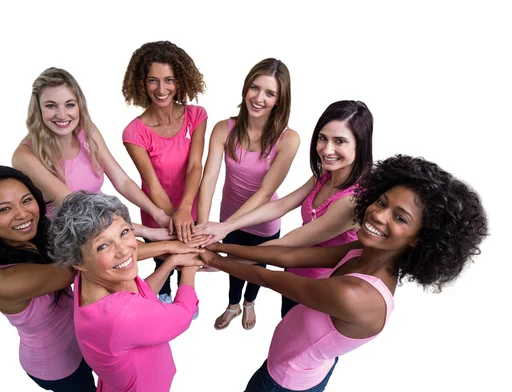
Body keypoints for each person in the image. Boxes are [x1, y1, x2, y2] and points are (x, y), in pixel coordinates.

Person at [200, 154, 488, 392]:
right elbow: (288, 255)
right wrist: (224, 246)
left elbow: (271, 278)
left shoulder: (357, 295)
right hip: (297, 363)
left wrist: (214, 259)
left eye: (400, 218)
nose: (378, 214)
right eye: (383, 202)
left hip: (283, 382)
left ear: (419, 239)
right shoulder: (363, 251)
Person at [196, 100, 373, 317]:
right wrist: (226, 226)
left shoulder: (351, 202)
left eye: (340, 141)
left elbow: (290, 242)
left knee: (307, 347)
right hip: (295, 278)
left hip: (323, 291)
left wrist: (224, 262)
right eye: (322, 138)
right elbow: (281, 205)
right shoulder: (327, 174)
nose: (327, 150)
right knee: (286, 330)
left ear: (360, 145)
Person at [49, 192, 203, 392]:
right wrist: (190, 270)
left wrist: (172, 262)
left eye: (123, 232)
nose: (123, 250)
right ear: (78, 262)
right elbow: (183, 314)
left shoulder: (88, 279)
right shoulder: (120, 314)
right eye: (103, 246)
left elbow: (140, 298)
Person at [0, 165, 96, 391]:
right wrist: (167, 249)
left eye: (26, 200)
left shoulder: (37, 232)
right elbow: (90, 262)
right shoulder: (1, 281)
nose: (23, 214)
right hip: (57, 367)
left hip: (82, 341)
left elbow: (99, 235)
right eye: (4, 209)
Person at [197, 58, 300, 330]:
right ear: (246, 88)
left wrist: (224, 227)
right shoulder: (223, 128)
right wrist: (203, 226)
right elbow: (209, 179)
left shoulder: (288, 139)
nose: (259, 98)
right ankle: (233, 304)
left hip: (263, 221)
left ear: (280, 100)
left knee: (256, 269)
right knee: (233, 266)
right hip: (227, 216)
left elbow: (266, 192)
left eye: (270, 93)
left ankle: (250, 303)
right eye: (255, 88)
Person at [12, 67, 171, 241]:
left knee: (184, 249)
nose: (62, 114)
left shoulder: (86, 131)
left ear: (79, 105)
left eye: (70, 104)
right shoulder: (25, 156)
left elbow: (122, 181)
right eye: (51, 106)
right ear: (38, 109)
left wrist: (158, 215)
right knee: (171, 249)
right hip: (68, 237)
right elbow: (77, 207)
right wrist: (145, 231)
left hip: (107, 223)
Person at [122, 40, 207, 308]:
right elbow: (153, 185)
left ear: (180, 80)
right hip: (158, 212)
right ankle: (164, 292)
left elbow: (195, 166)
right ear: (141, 83)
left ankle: (186, 294)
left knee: (189, 256)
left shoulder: (197, 116)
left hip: (189, 208)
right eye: (153, 81)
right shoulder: (134, 133)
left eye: (169, 80)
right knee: (163, 256)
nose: (162, 89)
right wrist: (173, 219)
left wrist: (184, 211)